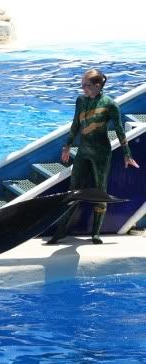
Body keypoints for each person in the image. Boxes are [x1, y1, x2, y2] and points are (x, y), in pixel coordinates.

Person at [47, 69, 140, 245]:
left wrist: (127, 154)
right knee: (73, 190)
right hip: (83, 151)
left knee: (100, 191)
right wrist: (67, 146)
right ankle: (61, 230)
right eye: (82, 85)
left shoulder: (110, 104)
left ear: (98, 85)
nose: (83, 89)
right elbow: (75, 124)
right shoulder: (81, 100)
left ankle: (95, 233)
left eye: (86, 85)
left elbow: (119, 130)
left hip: (101, 153)